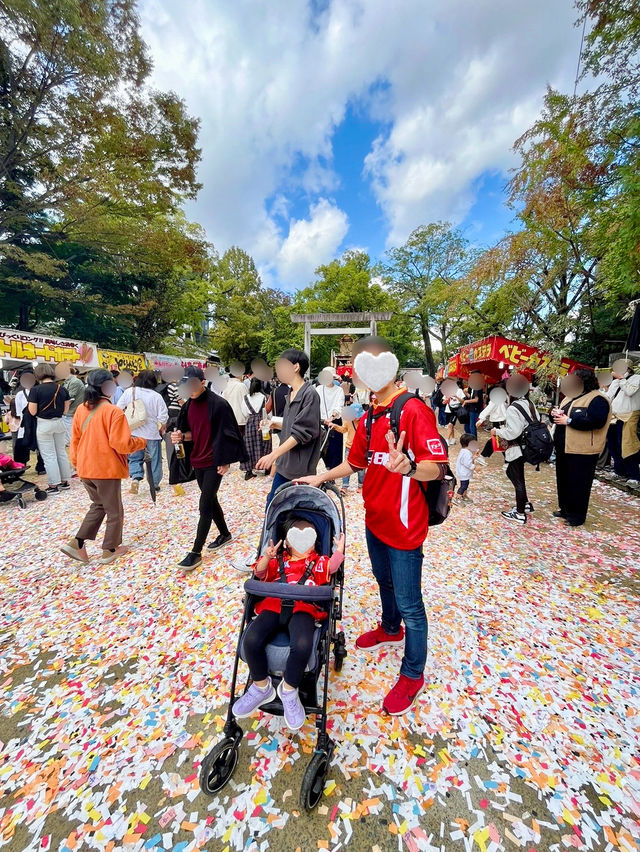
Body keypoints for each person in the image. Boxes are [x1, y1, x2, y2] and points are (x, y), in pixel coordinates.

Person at [297, 337, 449, 716]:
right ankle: (389, 627)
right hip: (375, 520)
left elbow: (436, 466)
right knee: (385, 582)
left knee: (412, 604)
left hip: (405, 525)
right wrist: (318, 478)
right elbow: (355, 463)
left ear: (392, 366)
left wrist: (410, 467)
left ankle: (413, 673)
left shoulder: (412, 411)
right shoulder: (370, 415)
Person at [233, 518, 345, 730]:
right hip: (273, 604)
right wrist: (267, 557)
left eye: (309, 539)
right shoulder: (279, 562)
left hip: (304, 608)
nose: (304, 544)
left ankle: (289, 689)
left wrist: (338, 550)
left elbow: (332, 567)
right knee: (251, 639)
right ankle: (261, 686)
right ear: (286, 543)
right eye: (296, 538)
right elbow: (259, 573)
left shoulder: (319, 562)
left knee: (302, 644)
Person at [61, 370, 147, 564]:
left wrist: (77, 463)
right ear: (107, 386)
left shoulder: (82, 409)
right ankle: (110, 548)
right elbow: (121, 444)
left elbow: (74, 440)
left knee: (99, 505)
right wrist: (141, 442)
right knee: (114, 510)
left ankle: (77, 543)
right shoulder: (113, 411)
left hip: (85, 466)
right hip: (105, 467)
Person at [171, 367, 246, 571]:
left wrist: (226, 460)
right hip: (198, 460)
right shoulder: (188, 406)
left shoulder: (219, 404)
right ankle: (225, 534)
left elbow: (229, 433)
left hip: (214, 460)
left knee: (204, 503)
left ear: (203, 382)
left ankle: (196, 552)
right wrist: (180, 437)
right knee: (210, 499)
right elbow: (191, 434)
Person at [255, 349, 322, 506]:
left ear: (296, 367)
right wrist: (275, 423)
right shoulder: (291, 393)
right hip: (285, 464)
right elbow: (295, 422)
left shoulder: (309, 394)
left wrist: (273, 455)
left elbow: (301, 432)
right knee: (275, 505)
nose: (277, 370)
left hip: (299, 467)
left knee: (287, 508)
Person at [551, 369, 612, 526]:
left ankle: (577, 516)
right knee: (564, 480)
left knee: (579, 483)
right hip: (564, 447)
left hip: (583, 449)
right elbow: (562, 415)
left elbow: (597, 422)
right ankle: (565, 509)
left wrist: (569, 421)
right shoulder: (569, 397)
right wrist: (556, 413)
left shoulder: (598, 399)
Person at [493, 377, 538, 524]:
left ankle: (519, 513)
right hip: (529, 446)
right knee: (515, 474)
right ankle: (525, 504)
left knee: (517, 478)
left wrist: (497, 431)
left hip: (517, 447)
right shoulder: (529, 404)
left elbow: (513, 432)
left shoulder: (513, 407)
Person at [117, 370, 168, 493]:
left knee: (134, 458)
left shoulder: (130, 392)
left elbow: (118, 407)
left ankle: (136, 478)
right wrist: (163, 426)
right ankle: (154, 483)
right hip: (151, 433)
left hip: (133, 431)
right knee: (155, 459)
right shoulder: (156, 396)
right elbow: (163, 416)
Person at [28, 363, 72, 495]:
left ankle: (54, 484)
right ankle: (65, 481)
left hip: (44, 424)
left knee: (49, 455)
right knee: (61, 452)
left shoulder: (35, 390)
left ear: (38, 374)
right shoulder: (62, 389)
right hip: (59, 422)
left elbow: (32, 411)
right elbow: (66, 409)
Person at [606, 360, 640, 485]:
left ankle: (634, 475)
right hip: (614, 416)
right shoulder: (615, 382)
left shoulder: (636, 378)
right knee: (613, 444)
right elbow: (608, 397)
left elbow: (630, 391)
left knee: (627, 445)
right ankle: (619, 470)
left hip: (629, 415)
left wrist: (621, 379)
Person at [316, 367, 345, 470]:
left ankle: (333, 471)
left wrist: (332, 417)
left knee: (335, 448)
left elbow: (339, 406)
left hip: (334, 422)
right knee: (320, 447)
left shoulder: (339, 390)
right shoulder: (318, 389)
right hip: (321, 421)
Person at [241, 378, 269, 480]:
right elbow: (268, 412)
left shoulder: (246, 398)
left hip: (250, 423)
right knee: (265, 444)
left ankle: (249, 470)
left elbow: (244, 412)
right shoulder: (264, 397)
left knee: (249, 446)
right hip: (263, 422)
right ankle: (266, 467)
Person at [55, 361, 85, 447]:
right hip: (68, 414)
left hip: (72, 414)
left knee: (71, 441)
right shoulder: (66, 382)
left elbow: (69, 400)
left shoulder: (74, 382)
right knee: (67, 441)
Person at [477, 386, 508, 464]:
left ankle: (483, 456)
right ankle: (508, 462)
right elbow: (488, 409)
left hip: (503, 424)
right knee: (502, 441)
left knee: (499, 441)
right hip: (498, 424)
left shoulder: (504, 399)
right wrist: (481, 419)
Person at [222, 370, 249, 435]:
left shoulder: (225, 385)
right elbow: (247, 403)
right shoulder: (241, 386)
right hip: (240, 420)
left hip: (228, 419)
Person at [460, 372, 484, 438]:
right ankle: (469, 439)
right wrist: (465, 392)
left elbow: (476, 399)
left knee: (472, 426)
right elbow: (471, 397)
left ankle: (473, 442)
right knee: (467, 425)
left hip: (475, 409)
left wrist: (466, 401)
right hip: (470, 408)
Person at [455, 433, 476, 501]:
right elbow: (467, 463)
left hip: (462, 472)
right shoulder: (467, 453)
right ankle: (458, 497)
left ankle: (464, 495)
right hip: (464, 473)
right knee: (464, 486)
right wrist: (474, 467)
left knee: (465, 485)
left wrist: (474, 457)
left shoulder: (464, 451)